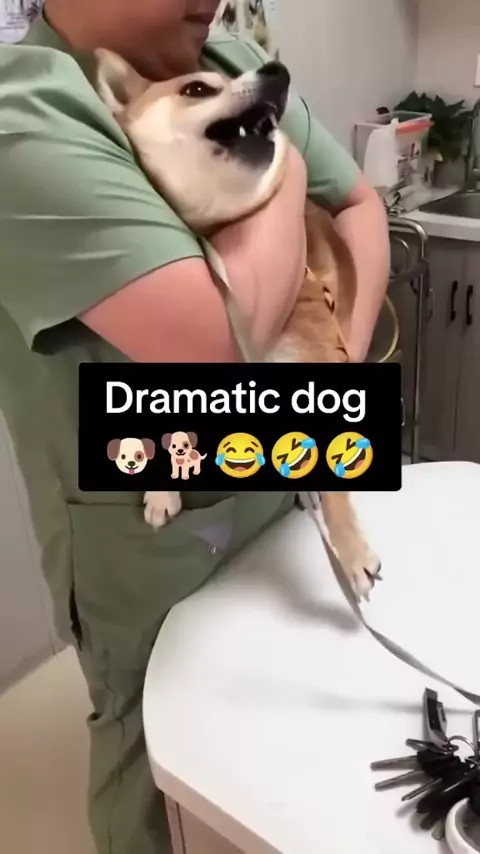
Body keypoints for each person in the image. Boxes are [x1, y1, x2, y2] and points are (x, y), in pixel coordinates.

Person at [0, 2, 390, 852]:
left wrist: (331, 370)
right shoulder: (22, 114)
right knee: (155, 757)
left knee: (265, 732)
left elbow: (361, 204)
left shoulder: (225, 52)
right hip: (143, 530)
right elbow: (215, 349)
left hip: (276, 496)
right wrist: (283, 164)